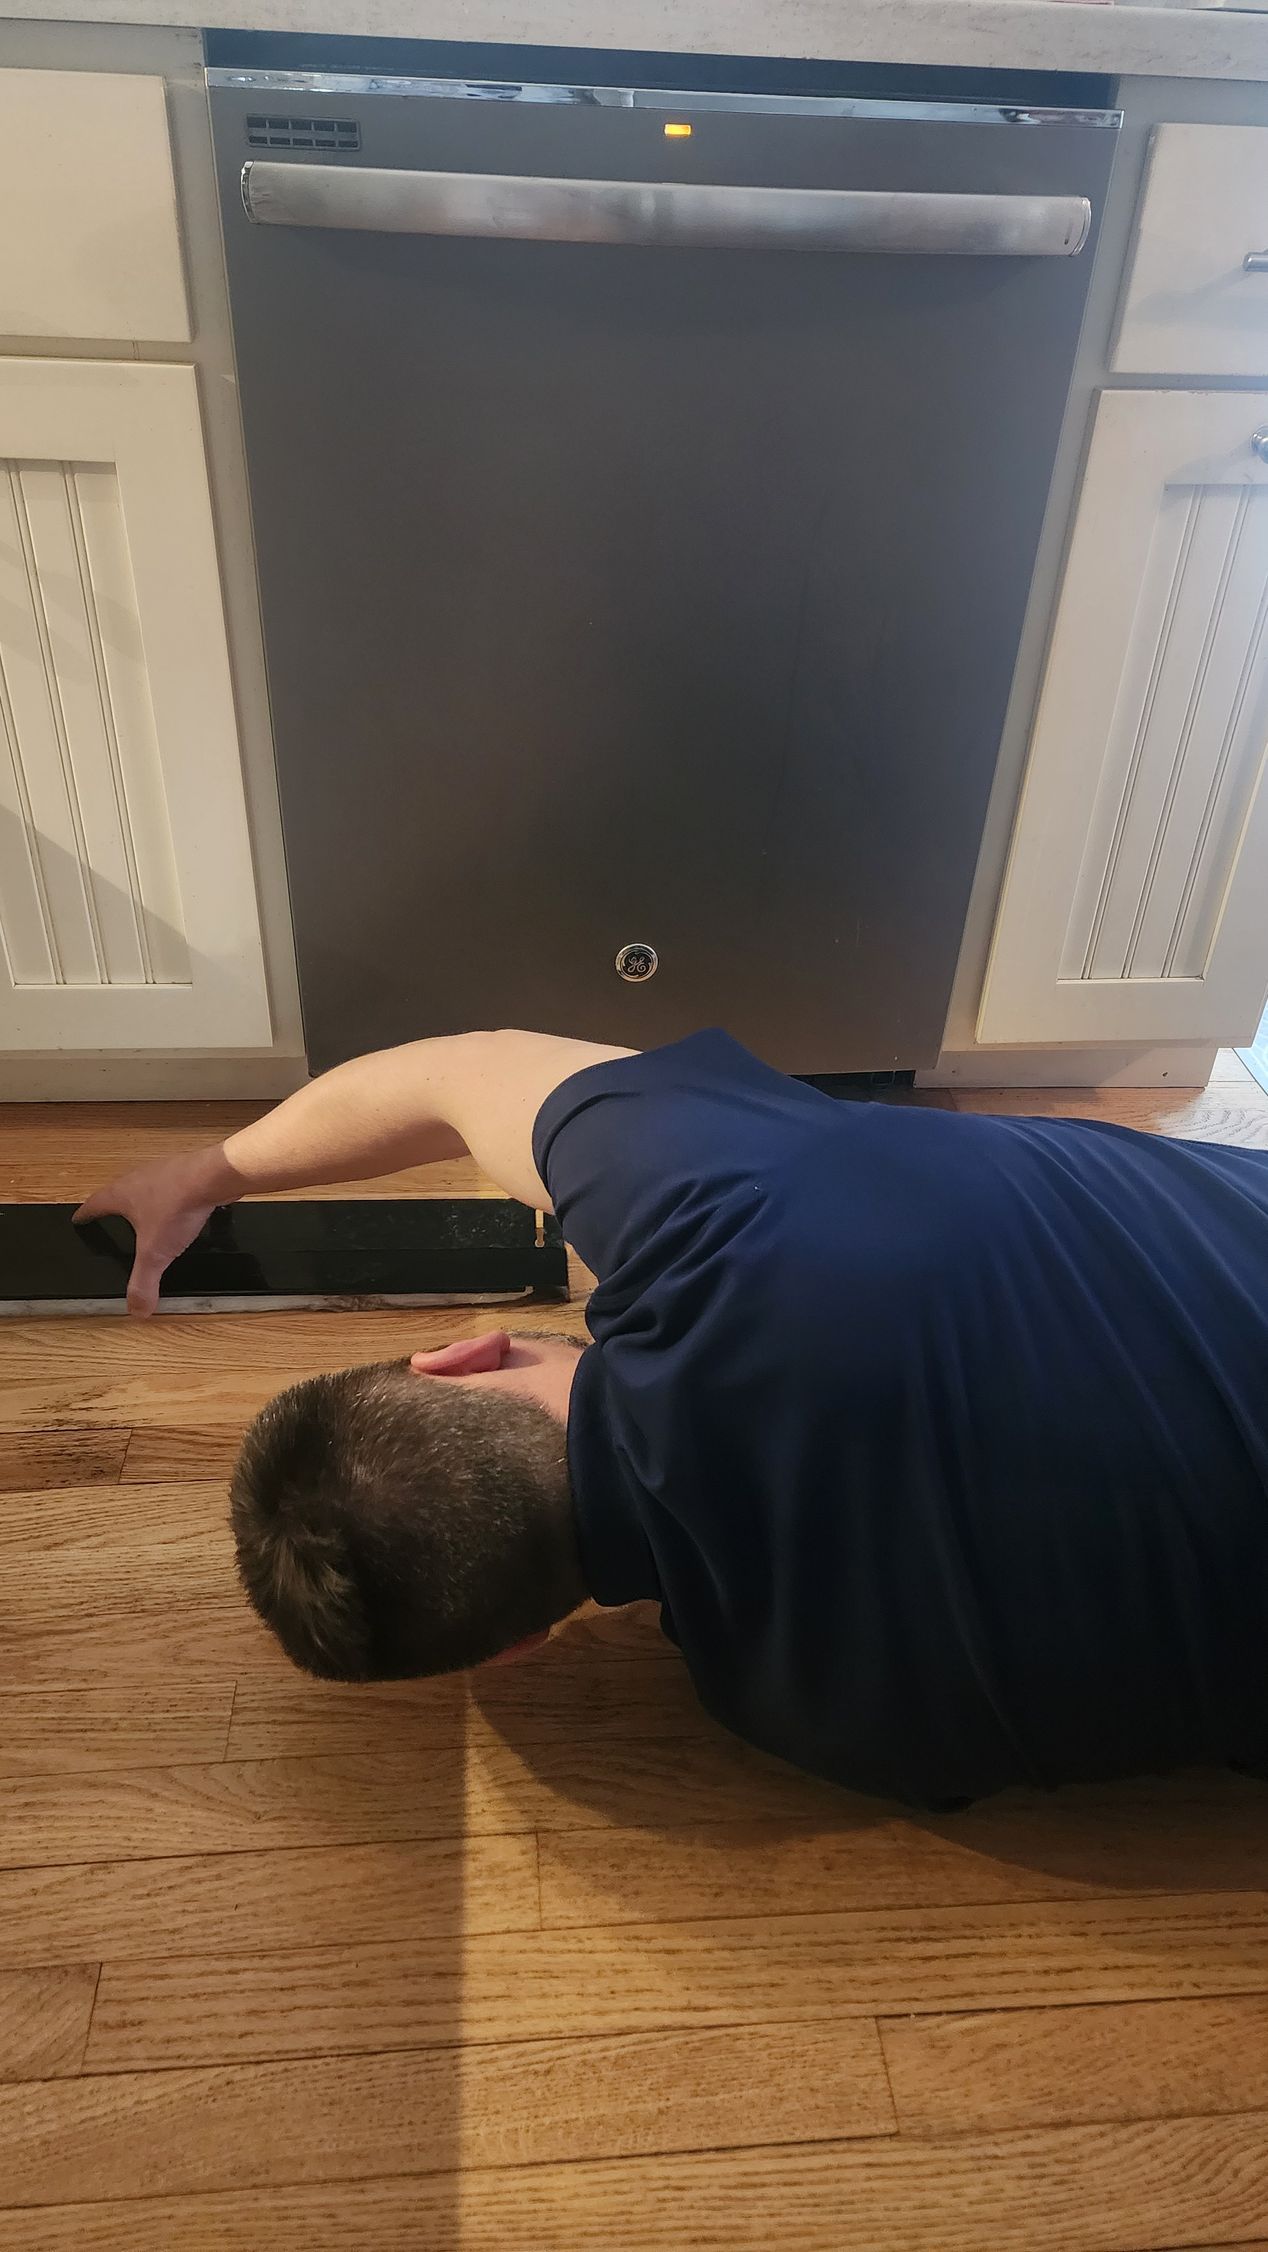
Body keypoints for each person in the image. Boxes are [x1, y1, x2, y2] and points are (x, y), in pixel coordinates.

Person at [76, 1027, 1268, 1811]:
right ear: (462, 1355)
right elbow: (449, 1075)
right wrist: (203, 1173)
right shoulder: (709, 1201)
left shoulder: (821, 1721)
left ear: (514, 1644)